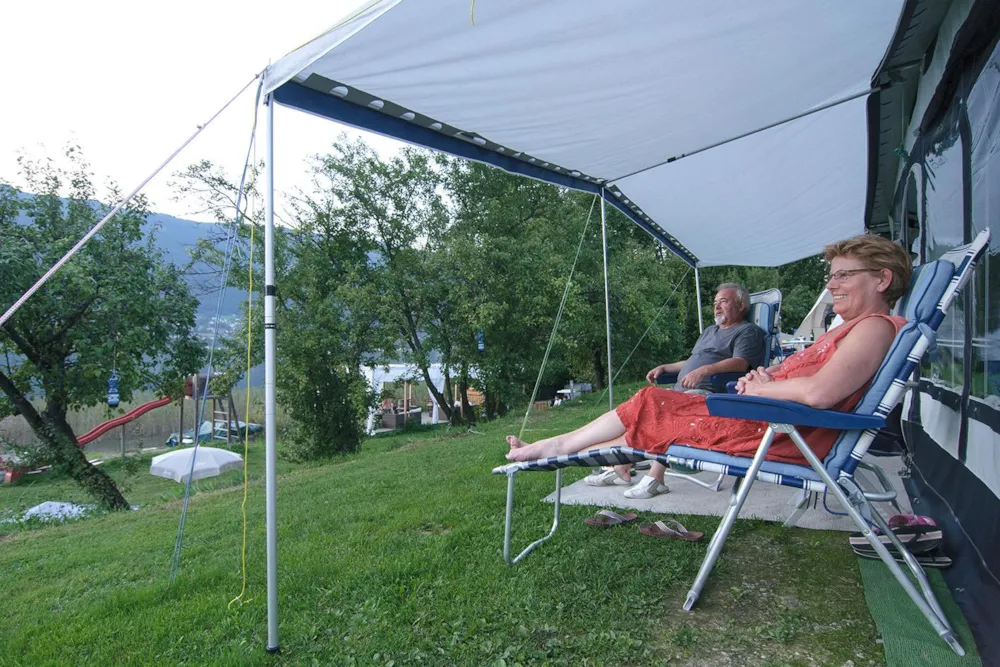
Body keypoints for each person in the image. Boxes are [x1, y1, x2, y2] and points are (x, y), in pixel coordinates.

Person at [505, 235, 911, 492]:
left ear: (882, 279)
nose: (831, 284)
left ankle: (559, 447)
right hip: (769, 419)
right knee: (652, 411)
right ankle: (561, 447)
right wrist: (769, 377)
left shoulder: (874, 328)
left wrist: (763, 386)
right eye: (831, 276)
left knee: (651, 404)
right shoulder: (852, 329)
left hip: (780, 432)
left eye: (843, 276)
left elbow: (820, 393)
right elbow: (814, 379)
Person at [587, 283, 765, 498]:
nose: (717, 307)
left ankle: (655, 478)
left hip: (710, 394)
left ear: (741, 305)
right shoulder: (711, 331)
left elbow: (740, 362)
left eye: (723, 302)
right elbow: (693, 360)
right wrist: (666, 367)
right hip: (681, 391)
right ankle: (622, 466)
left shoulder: (747, 331)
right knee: (639, 413)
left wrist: (705, 371)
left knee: (665, 416)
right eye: (715, 303)